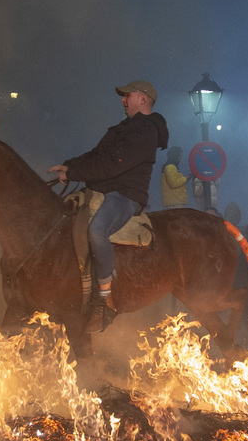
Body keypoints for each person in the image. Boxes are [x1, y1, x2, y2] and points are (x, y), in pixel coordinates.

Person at [49, 80, 168, 333]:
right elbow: (97, 155)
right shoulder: (124, 128)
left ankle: (103, 299)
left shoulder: (145, 130)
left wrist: (75, 173)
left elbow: (115, 164)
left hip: (124, 196)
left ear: (143, 100)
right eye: (123, 97)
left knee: (96, 231)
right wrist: (69, 166)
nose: (123, 100)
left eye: (128, 96)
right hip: (101, 191)